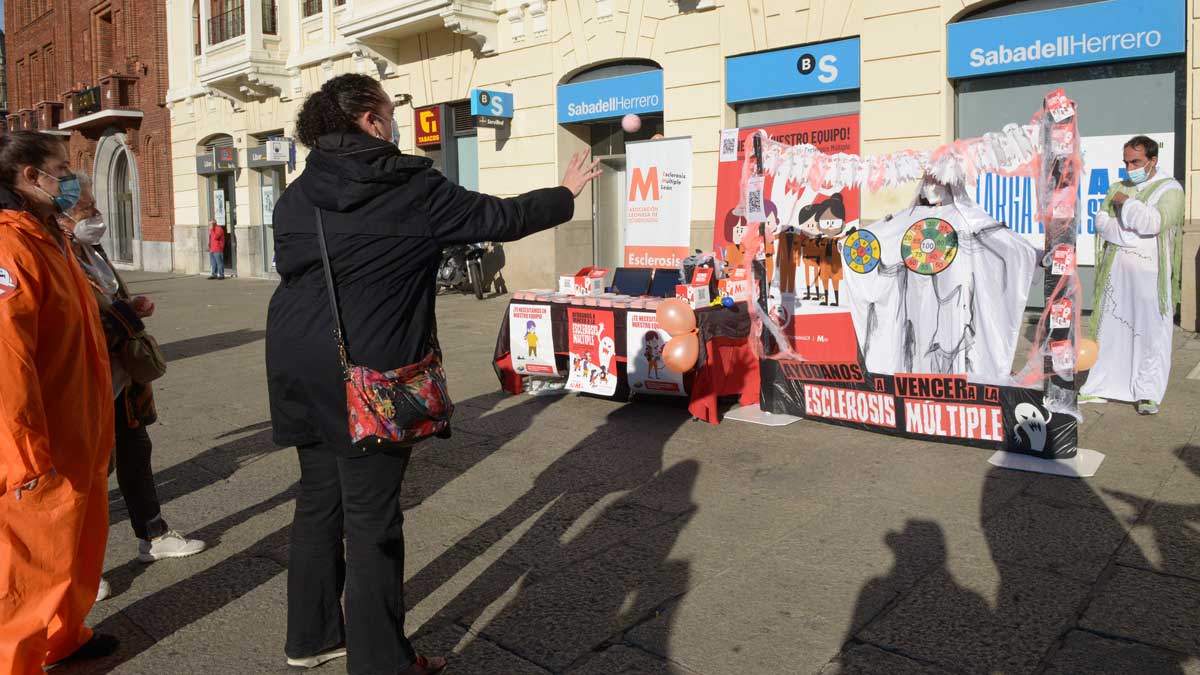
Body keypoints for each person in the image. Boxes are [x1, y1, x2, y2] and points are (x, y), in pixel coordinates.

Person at [265, 73, 600, 675]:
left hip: (297, 361)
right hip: (367, 371)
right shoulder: (407, 186)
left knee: (318, 501)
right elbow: (499, 219)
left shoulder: (298, 191)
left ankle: (311, 637)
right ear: (369, 118)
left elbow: (289, 261)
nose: (396, 124)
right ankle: (382, 664)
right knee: (372, 521)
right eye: (391, 113)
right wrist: (564, 193)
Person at [56, 176, 206, 603]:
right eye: (87, 208)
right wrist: (127, 314)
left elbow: (107, 300)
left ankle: (153, 535)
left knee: (137, 455)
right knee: (88, 476)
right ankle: (80, 567)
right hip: (85, 379)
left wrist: (130, 304)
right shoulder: (56, 251)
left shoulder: (92, 250)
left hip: (123, 377)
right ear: (65, 213)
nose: (96, 215)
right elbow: (75, 315)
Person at [0, 131, 117, 673]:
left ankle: (64, 634)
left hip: (79, 428)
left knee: (77, 545)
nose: (71, 179)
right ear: (29, 177)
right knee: (29, 566)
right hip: (39, 442)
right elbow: (6, 361)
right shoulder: (10, 244)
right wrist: (23, 453)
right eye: (61, 169)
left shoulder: (49, 235)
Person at [1082, 135, 1184, 415]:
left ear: (1153, 160)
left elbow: (1154, 224)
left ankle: (1147, 392)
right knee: (1111, 331)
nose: (1130, 168)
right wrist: (1127, 234)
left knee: (1150, 333)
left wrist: (1125, 204)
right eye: (1126, 162)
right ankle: (1101, 387)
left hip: (1150, 278)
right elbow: (1100, 222)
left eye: (1136, 162)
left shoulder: (1170, 189)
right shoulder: (1118, 185)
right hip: (1117, 275)